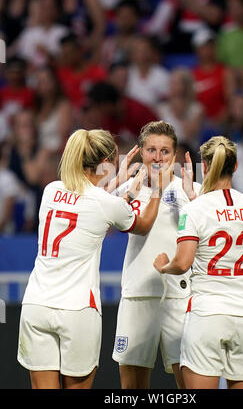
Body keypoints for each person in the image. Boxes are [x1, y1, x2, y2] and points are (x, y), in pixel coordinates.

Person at [17, 128, 171, 389]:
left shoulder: (50, 191)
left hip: (36, 304)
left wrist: (113, 183)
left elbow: (84, 200)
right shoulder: (103, 202)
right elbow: (142, 224)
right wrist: (155, 189)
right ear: (105, 164)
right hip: (77, 309)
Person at [153, 135, 243, 389]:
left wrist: (164, 266)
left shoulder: (195, 210)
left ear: (204, 167)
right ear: (236, 166)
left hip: (207, 315)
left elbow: (183, 263)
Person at [112, 120, 201, 389]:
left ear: (174, 156)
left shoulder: (192, 191)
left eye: (165, 151)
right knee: (132, 388)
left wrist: (194, 202)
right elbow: (94, 213)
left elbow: (214, 234)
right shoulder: (126, 191)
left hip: (179, 296)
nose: (158, 157)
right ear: (140, 151)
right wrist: (118, 183)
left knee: (188, 383)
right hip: (137, 293)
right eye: (151, 150)